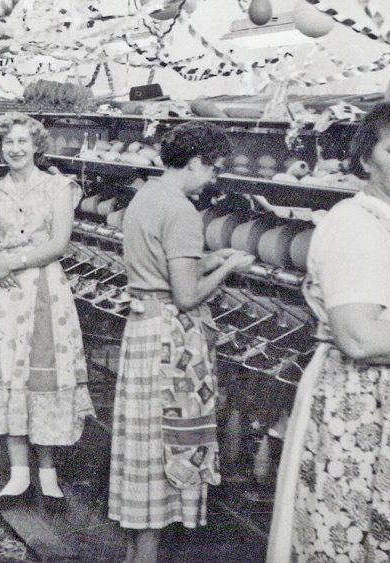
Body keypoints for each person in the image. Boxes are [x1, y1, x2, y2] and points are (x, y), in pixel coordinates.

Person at [269, 103, 390, 562]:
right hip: (365, 413)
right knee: (358, 537)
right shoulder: (354, 224)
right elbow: (360, 338)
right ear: (366, 160)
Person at [108, 122, 253, 562]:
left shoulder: (146, 196)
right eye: (212, 168)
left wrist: (206, 259)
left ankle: (135, 556)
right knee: (164, 453)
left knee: (142, 455)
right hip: (169, 341)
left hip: (142, 329)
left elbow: (163, 266)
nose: (212, 178)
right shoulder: (183, 210)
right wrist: (227, 268)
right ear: (193, 163)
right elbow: (187, 295)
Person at [0, 112, 95, 514]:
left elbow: (58, 244)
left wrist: (11, 262)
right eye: (8, 142)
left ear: (37, 145)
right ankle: (19, 474)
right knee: (10, 379)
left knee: (43, 378)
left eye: (23, 141)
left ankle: (49, 476)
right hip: (3, 295)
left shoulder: (59, 187)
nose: (16, 149)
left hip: (44, 292)